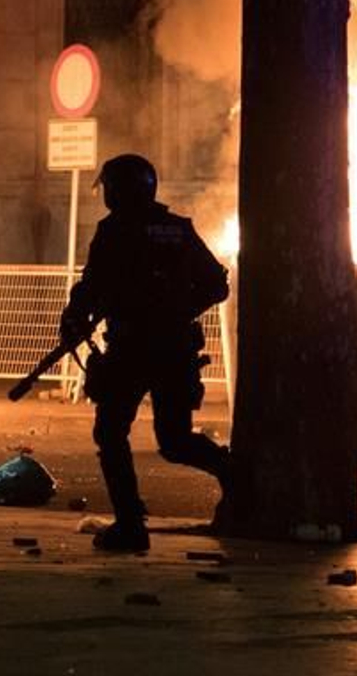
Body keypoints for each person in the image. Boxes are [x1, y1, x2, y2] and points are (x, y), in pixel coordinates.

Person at [60, 153, 230, 553]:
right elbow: (216, 285)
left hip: (131, 350)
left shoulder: (113, 231)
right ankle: (236, 476)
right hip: (174, 349)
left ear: (118, 191)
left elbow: (91, 287)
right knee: (175, 440)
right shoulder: (177, 229)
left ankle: (131, 525)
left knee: (110, 433)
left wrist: (75, 316)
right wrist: (178, 312)